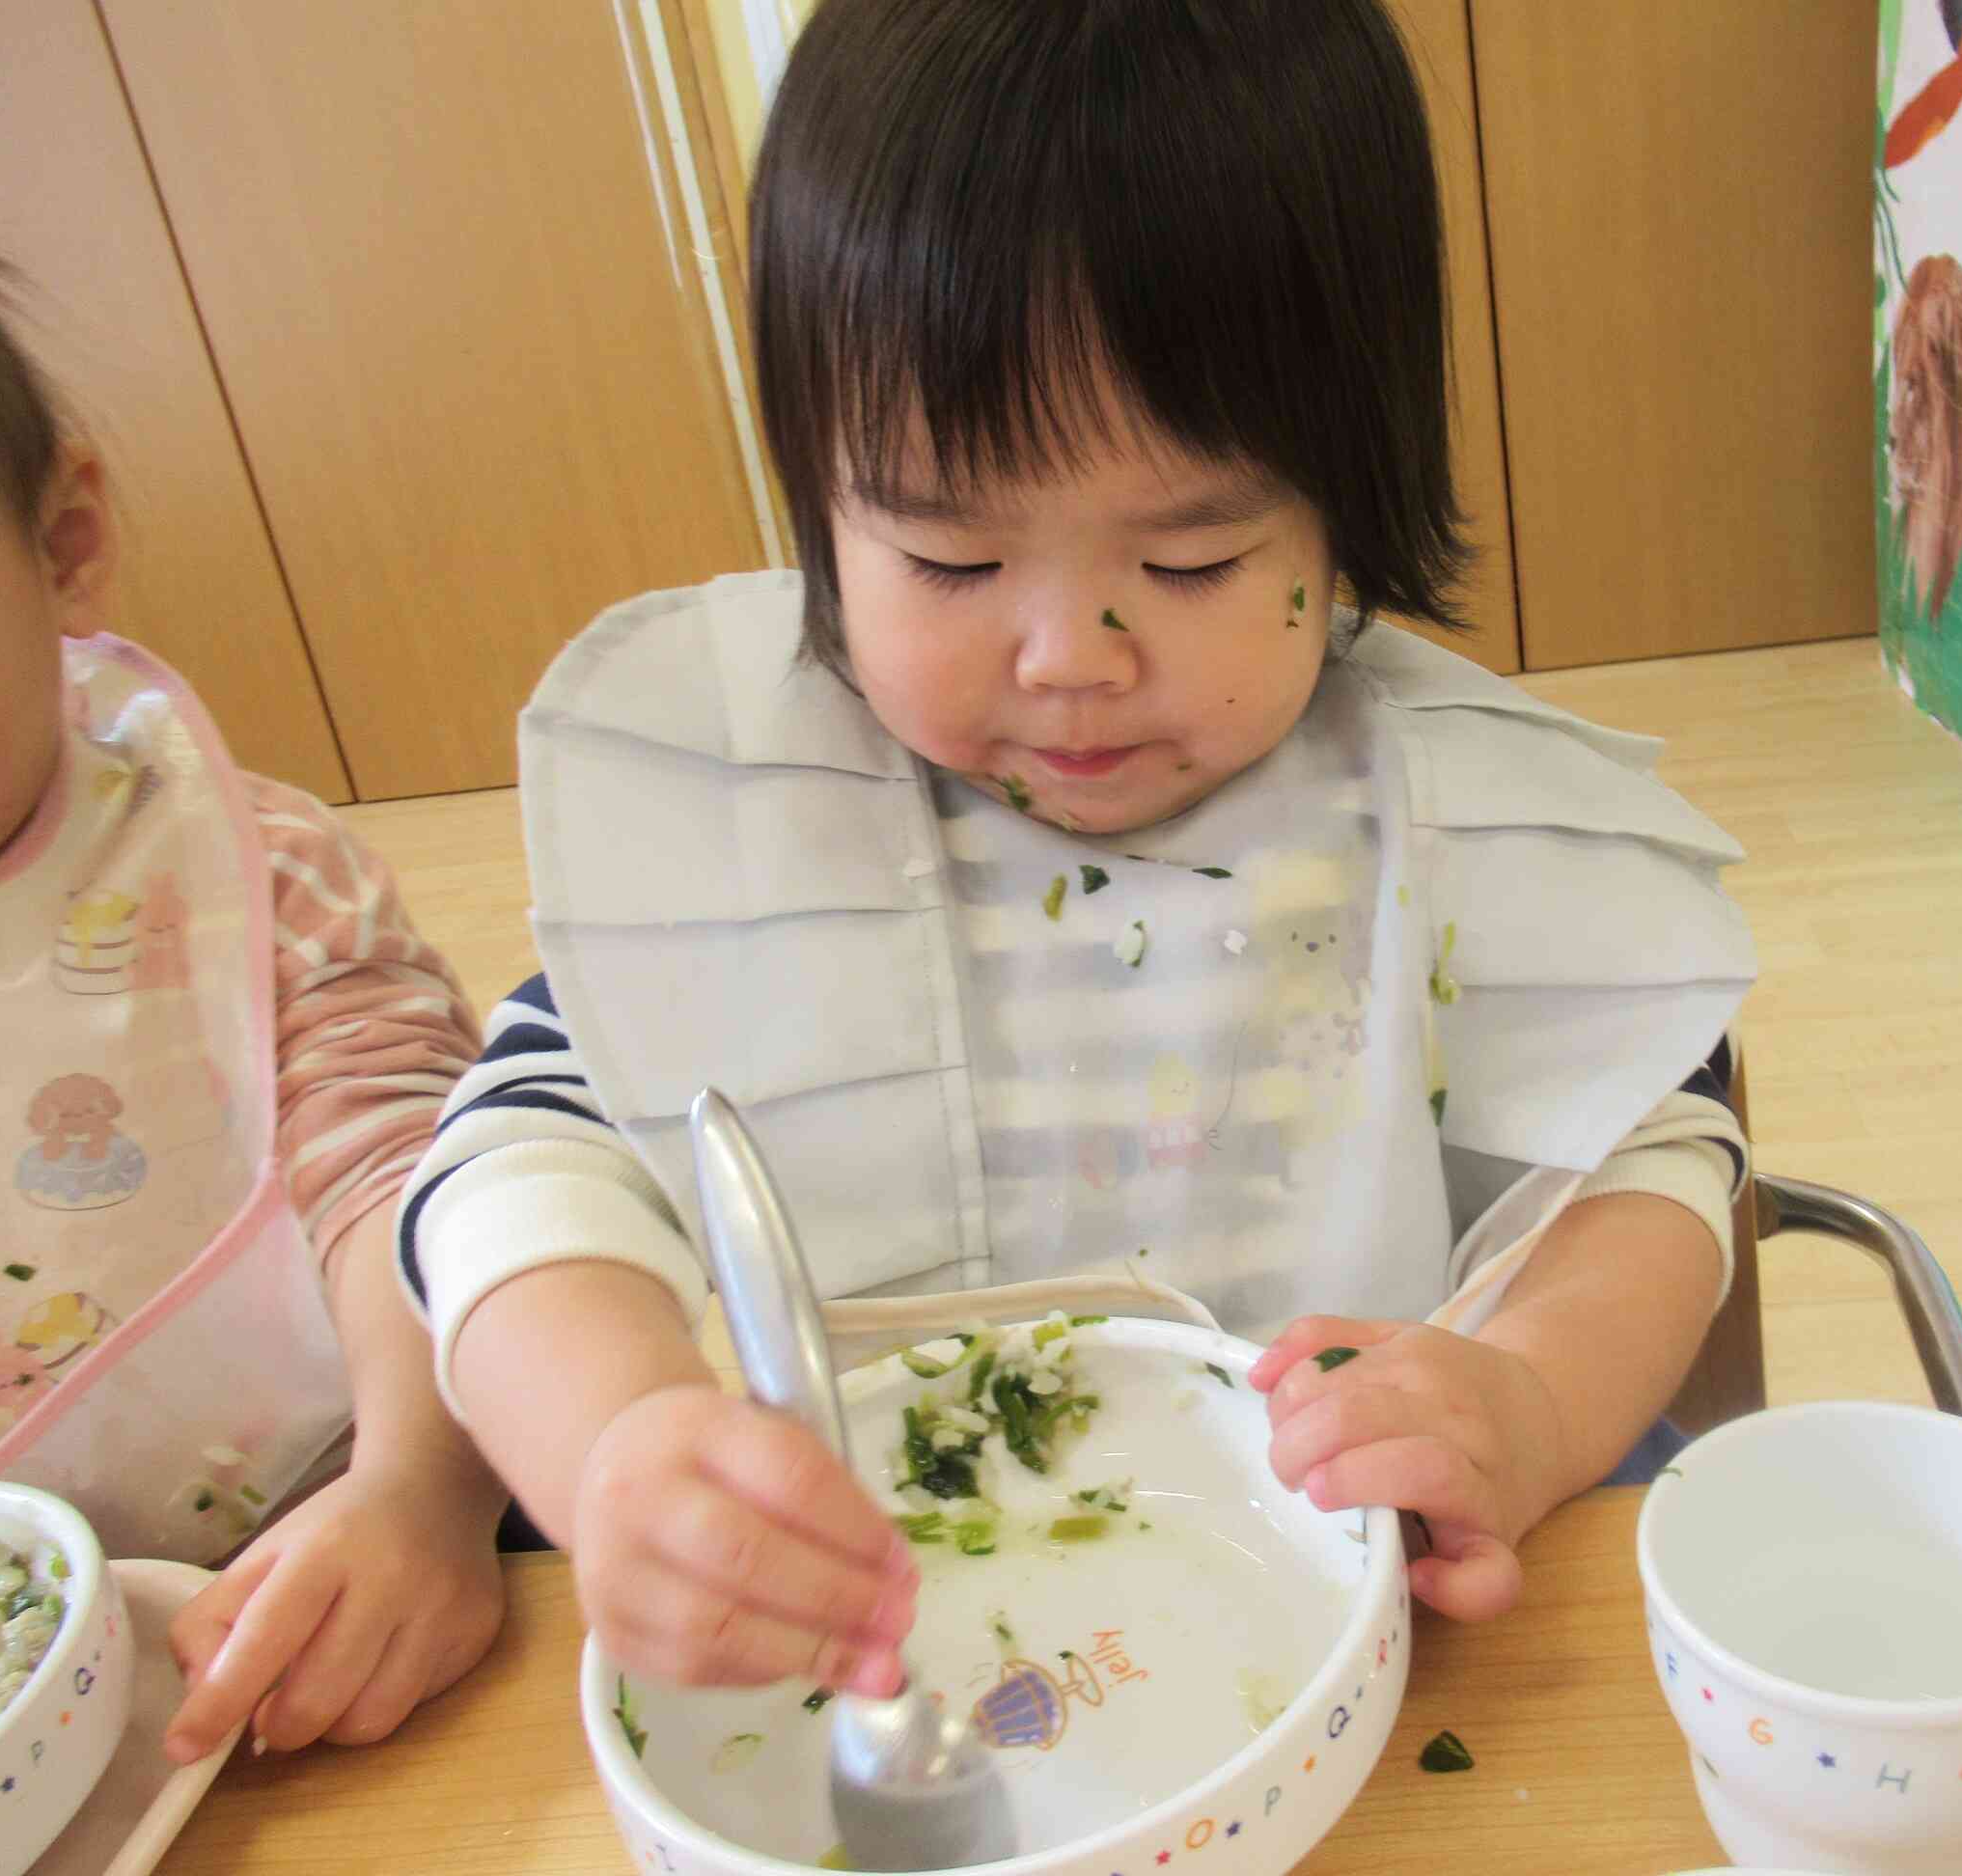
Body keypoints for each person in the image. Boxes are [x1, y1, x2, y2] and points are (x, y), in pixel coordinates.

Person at [402, 0, 1755, 1702]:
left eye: (1192, 563)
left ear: (1352, 504)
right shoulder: (747, 813)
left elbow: (1657, 1165)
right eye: (948, 561)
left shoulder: (1442, 812)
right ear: (820, 506)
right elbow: (515, 1164)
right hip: (879, 1659)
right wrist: (615, 1441)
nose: (1069, 657)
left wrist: (1531, 1402)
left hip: (1354, 1635)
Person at [0, 253, 507, 1763]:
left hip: (335, 1547)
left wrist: (420, 1488)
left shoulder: (249, 872)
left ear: (66, 543)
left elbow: (404, 1167)